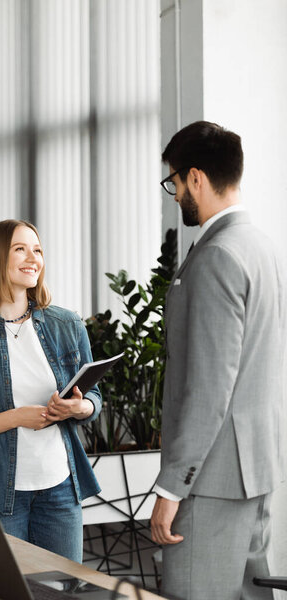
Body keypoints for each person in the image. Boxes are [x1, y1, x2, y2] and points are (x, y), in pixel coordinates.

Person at [150, 121, 286, 599]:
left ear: (196, 179)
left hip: (209, 480)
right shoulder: (262, 247)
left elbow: (210, 387)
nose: (174, 195)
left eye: (174, 182)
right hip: (256, 469)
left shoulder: (216, 256)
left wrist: (170, 489)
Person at [0, 219, 102, 563]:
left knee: (63, 589)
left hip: (60, 490)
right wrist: (16, 418)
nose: (33, 258)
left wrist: (79, 409)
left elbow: (94, 399)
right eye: (20, 249)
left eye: (37, 249)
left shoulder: (67, 325)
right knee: (6, 591)